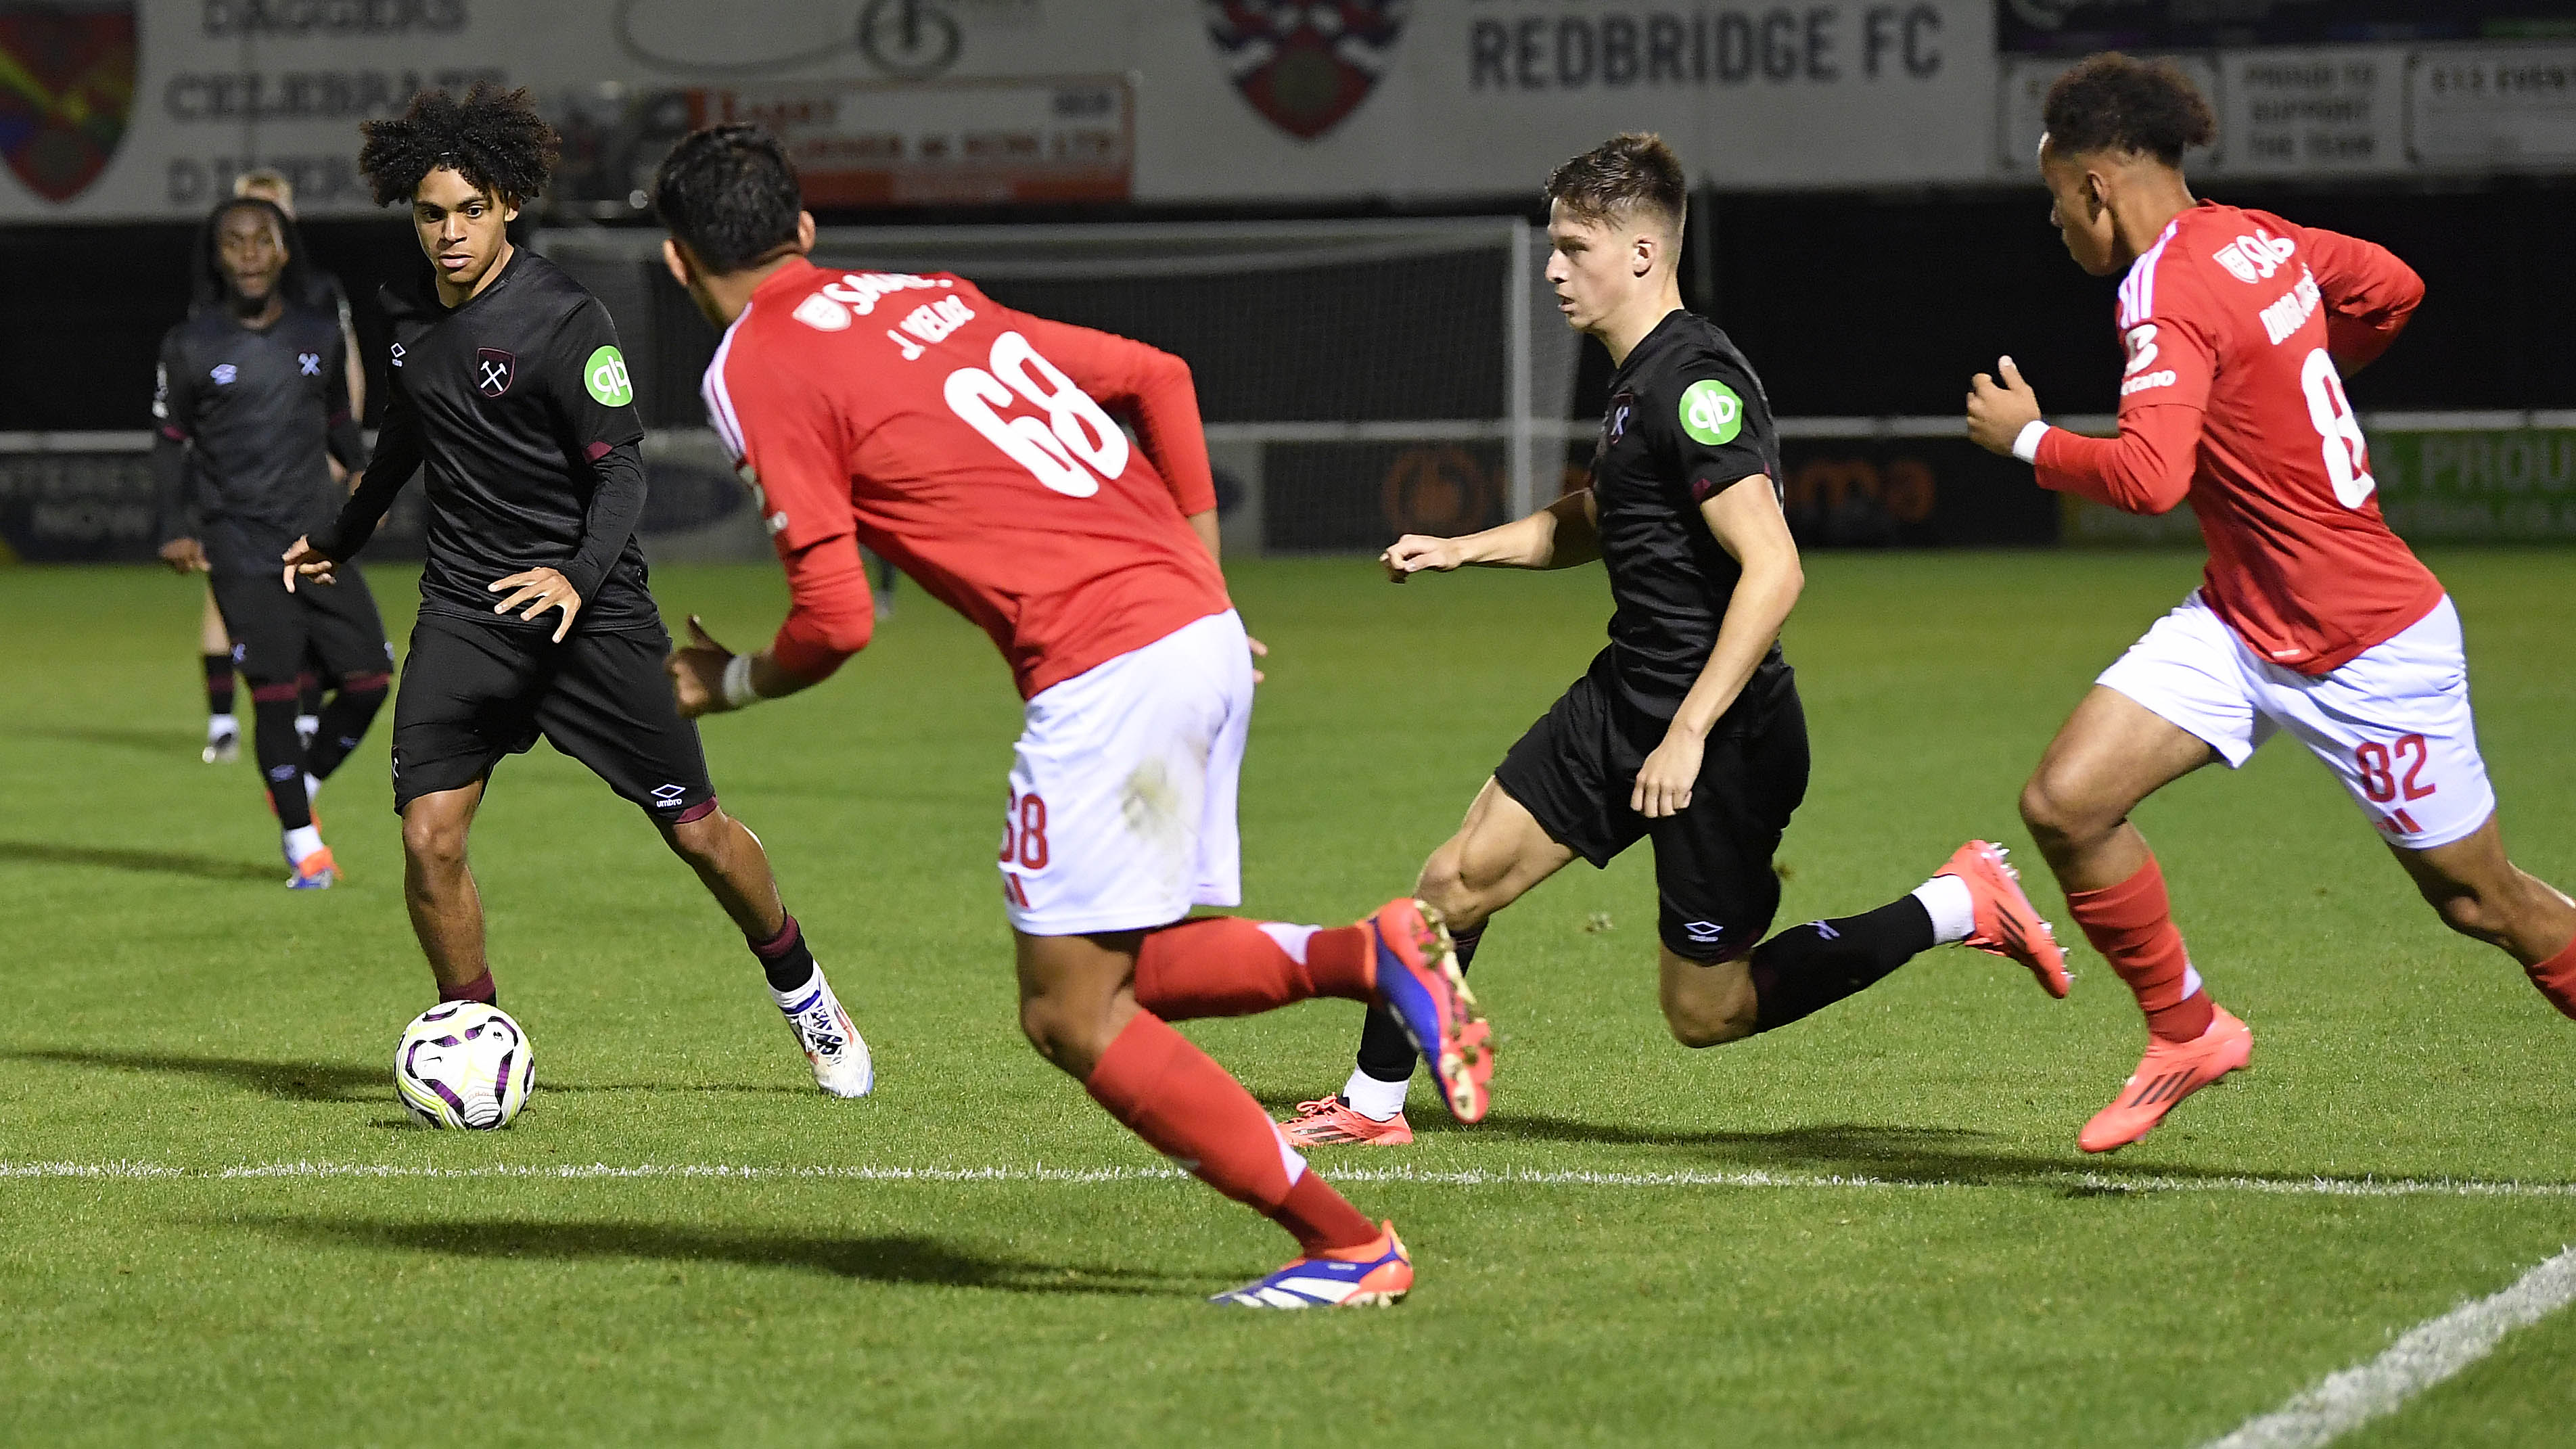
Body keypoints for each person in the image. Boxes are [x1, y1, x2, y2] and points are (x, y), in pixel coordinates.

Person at [648, 123, 1492, 1307]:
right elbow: (1160, 376)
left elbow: (835, 619)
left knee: (1067, 1014)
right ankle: (1371, 953)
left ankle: (1348, 1243)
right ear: (803, 228)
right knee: (1111, 971)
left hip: (1109, 671)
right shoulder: (925, 298)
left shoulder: (752, 366)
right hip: (1193, 639)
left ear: (679, 265)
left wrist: (726, 681)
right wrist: (1202, 580)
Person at [1281, 133, 2069, 1149]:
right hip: (1627, 701)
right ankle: (1373, 1104)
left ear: (1645, 254)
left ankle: (1957, 902)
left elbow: (1775, 567)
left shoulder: (1696, 384)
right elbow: (1603, 516)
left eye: (1575, 247)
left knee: (1709, 1012)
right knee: (1455, 878)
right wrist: (1464, 548)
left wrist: (1691, 730)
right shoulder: (1633, 382)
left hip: (1723, 737)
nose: (1556, 268)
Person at [1965, 54, 2576, 1153]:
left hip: (2366, 643)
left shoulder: (2157, 285)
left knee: (2480, 901)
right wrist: (2286, 356)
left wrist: (2026, 440)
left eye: (2054, 201)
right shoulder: (2259, 239)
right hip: (2242, 621)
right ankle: (2186, 1031)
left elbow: (2149, 478)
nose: (2055, 225)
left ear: (2095, 187)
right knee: (2066, 801)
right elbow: (2392, 287)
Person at [279, 87, 871, 1099]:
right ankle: (475, 1033)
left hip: (591, 614)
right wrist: (339, 536)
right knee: (428, 839)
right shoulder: (406, 316)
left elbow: (622, 473)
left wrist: (575, 575)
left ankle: (804, 989)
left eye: (471, 210)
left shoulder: (565, 318)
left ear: (508, 205)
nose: (451, 231)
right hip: (468, 611)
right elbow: (403, 444)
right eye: (432, 214)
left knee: (699, 833)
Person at [154, 196, 389, 888]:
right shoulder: (190, 344)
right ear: (218, 256)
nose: (251, 252)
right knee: (278, 693)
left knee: (371, 680)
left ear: (284, 251)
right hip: (240, 545)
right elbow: (170, 443)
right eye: (235, 242)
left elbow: (339, 423)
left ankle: (300, 785)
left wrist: (365, 485)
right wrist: (173, 526)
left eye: (264, 239)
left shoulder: (318, 334)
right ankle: (301, 844)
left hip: (315, 541)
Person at [193, 170, 366, 761]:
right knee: (228, 592)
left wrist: (346, 453)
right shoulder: (217, 303)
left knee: (310, 582)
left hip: (304, 467)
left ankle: (307, 719)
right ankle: (224, 722)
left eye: (271, 217)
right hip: (240, 476)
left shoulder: (319, 291)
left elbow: (347, 373)